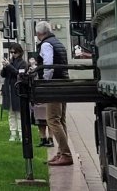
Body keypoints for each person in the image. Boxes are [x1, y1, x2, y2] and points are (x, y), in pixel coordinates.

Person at [36, 20, 72, 166]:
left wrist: (45, 82)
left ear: (40, 33)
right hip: (63, 82)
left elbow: (49, 65)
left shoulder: (46, 44)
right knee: (61, 120)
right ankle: (60, 153)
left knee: (52, 120)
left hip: (54, 85)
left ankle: (66, 154)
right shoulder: (57, 41)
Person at [0, 43, 26, 142]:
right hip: (9, 90)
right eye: (11, 52)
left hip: (17, 91)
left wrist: (9, 66)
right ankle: (13, 133)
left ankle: (21, 134)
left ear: (19, 52)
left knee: (19, 113)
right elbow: (3, 75)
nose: (13, 54)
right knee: (11, 114)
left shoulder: (23, 63)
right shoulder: (10, 62)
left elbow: (19, 74)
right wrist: (5, 66)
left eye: (15, 52)